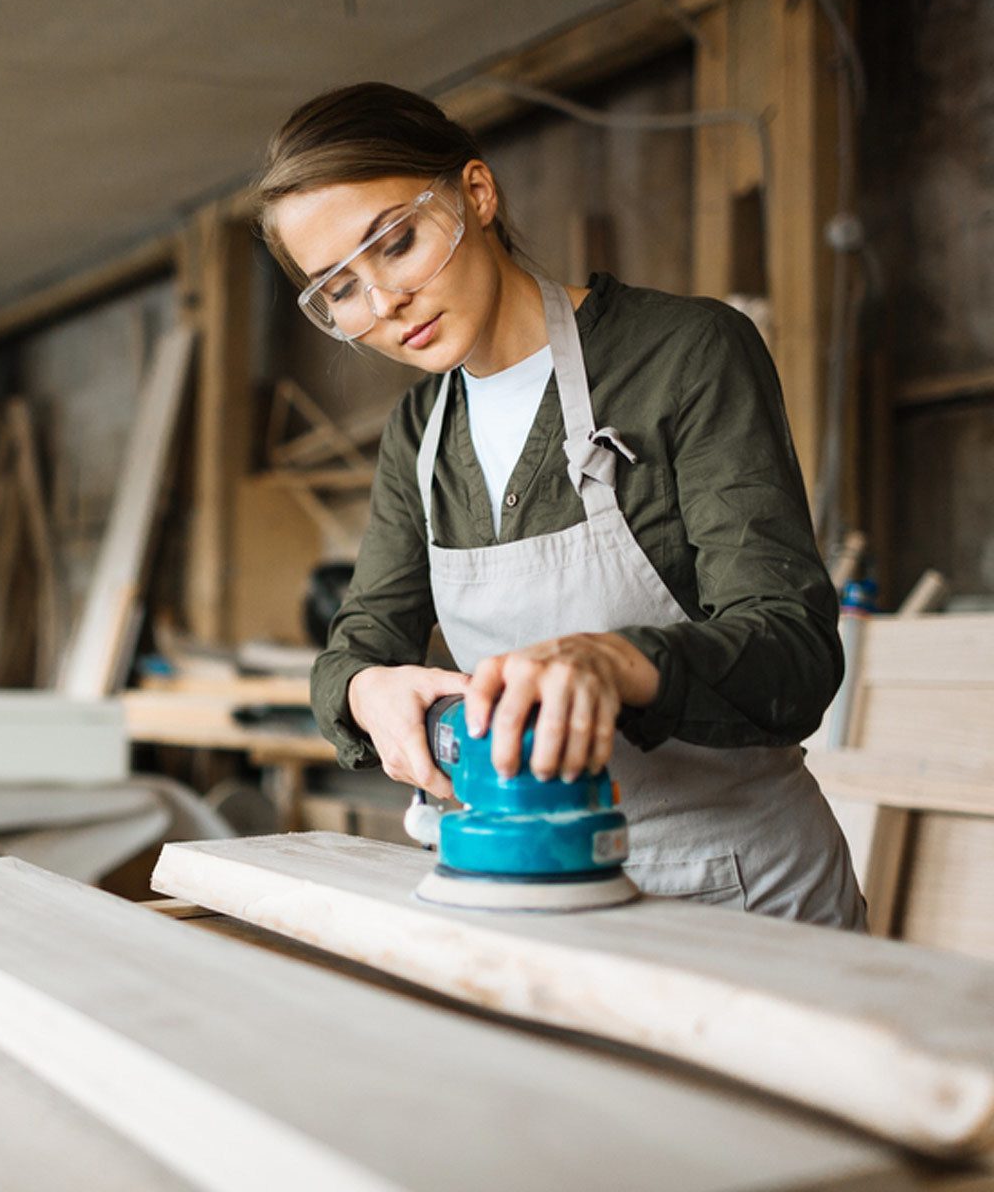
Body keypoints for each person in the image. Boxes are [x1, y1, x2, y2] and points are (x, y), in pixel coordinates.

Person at [256, 82, 865, 930]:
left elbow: (796, 654)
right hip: (521, 892)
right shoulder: (419, 430)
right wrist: (365, 693)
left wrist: (612, 662)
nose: (383, 304)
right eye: (341, 290)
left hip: (728, 887)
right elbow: (357, 644)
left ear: (475, 193)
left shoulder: (684, 355)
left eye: (394, 244)